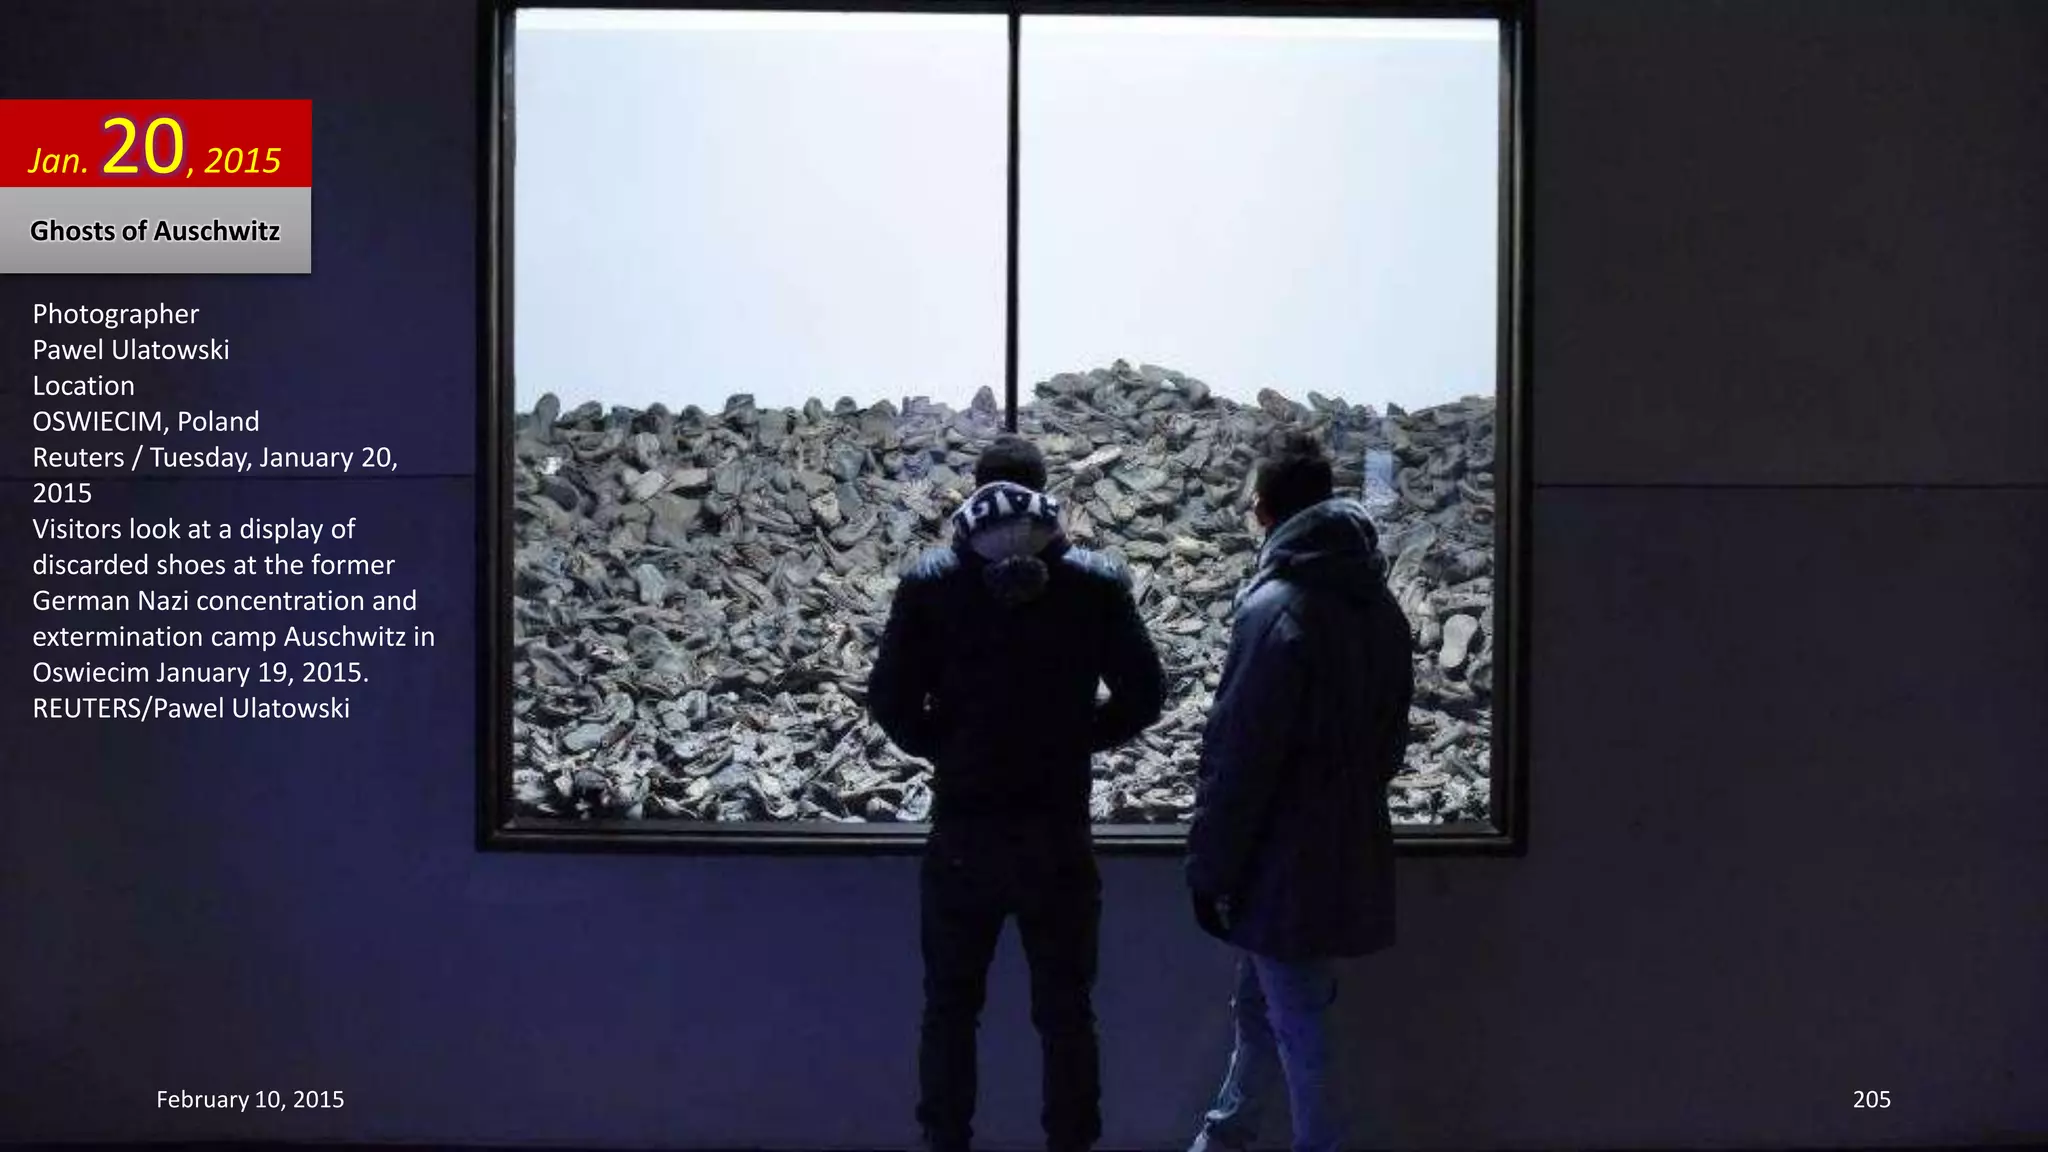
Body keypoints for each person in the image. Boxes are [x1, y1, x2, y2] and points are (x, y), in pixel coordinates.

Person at [869, 433, 1166, 1152]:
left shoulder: (931, 582)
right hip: (1057, 833)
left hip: (965, 831)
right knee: (1067, 1014)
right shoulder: (1095, 582)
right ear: (1044, 489)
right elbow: (1146, 694)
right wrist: (1074, 738)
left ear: (977, 490)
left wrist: (949, 744)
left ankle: (946, 1144)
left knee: (949, 1011)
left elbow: (890, 700)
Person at [1183, 429, 1416, 1152]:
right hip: (1345, 848)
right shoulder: (1379, 607)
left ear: (1263, 511)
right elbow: (1389, 739)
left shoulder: (1274, 609)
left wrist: (1210, 869)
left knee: (1300, 1032)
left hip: (1281, 865)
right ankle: (1222, 1138)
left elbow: (1240, 754)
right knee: (1263, 1011)